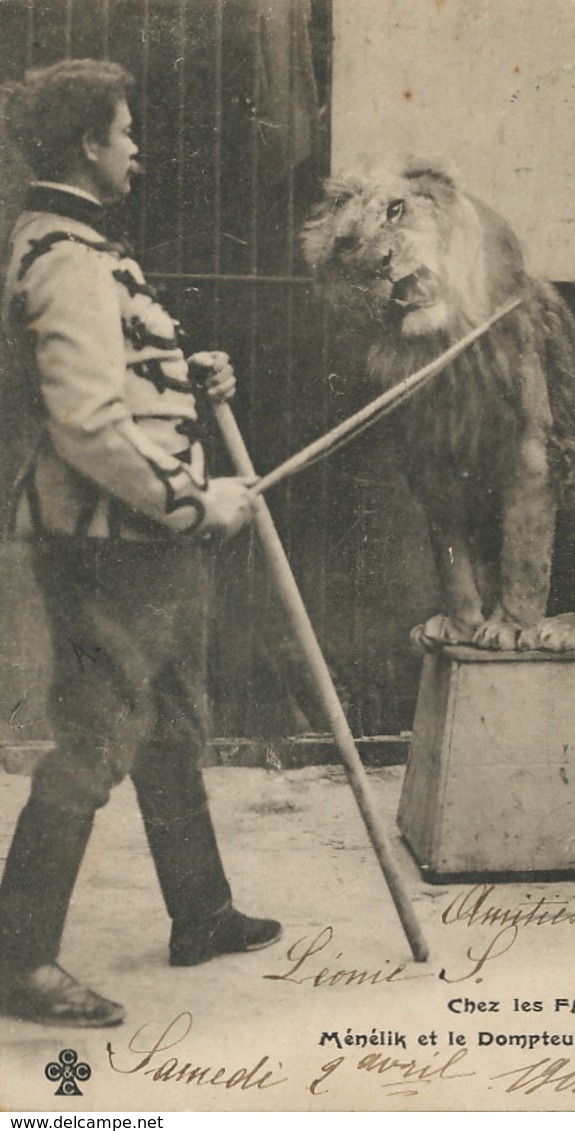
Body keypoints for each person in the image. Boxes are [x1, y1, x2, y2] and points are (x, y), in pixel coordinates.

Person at [0, 58, 282, 1029]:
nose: (137, 147)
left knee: (167, 721)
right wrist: (195, 503)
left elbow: (119, 378)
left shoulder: (76, 245)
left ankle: (198, 912)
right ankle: (20, 961)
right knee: (95, 740)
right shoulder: (67, 256)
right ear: (87, 144)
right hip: (111, 543)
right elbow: (85, 423)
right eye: (125, 131)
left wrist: (183, 371)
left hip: (135, 542)